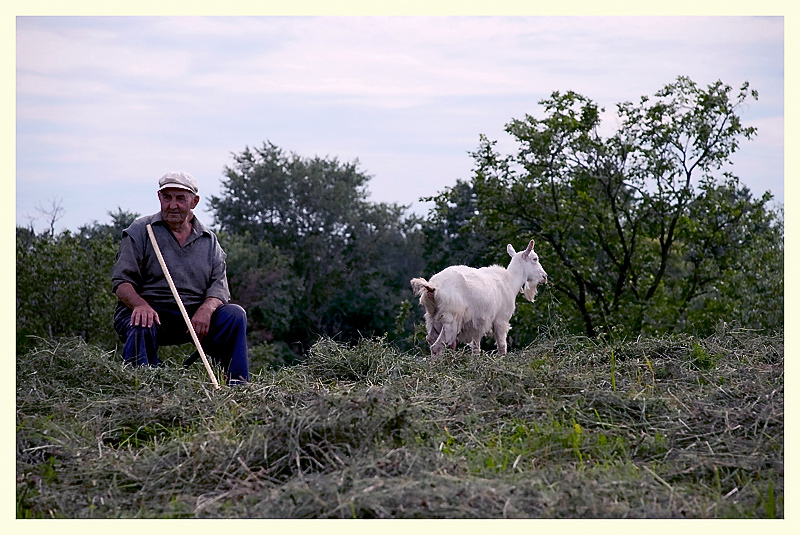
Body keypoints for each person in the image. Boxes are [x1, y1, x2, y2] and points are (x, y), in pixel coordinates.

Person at [111, 171, 249, 384]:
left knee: (234, 314)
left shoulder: (209, 240)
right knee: (141, 322)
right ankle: (140, 390)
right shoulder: (141, 231)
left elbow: (219, 288)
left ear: (194, 202)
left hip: (192, 319)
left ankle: (238, 387)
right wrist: (140, 305)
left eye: (180, 198)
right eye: (167, 197)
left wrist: (206, 309)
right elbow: (121, 283)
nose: (172, 205)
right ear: (159, 198)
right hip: (148, 313)